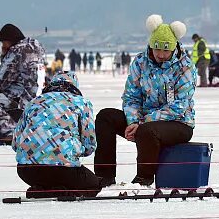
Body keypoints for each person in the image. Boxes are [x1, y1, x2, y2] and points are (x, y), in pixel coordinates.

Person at [94, 14, 196, 186]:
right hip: (142, 121)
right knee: (106, 117)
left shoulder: (185, 67)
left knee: (147, 131)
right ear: (151, 46)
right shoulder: (140, 62)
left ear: (174, 48)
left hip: (179, 123)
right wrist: (133, 120)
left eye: (166, 50)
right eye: (157, 49)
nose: (161, 55)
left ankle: (144, 178)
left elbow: (179, 106)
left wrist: (142, 123)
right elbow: (131, 96)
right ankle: (105, 176)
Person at [12, 71, 101, 198]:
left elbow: (16, 142)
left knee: (49, 176)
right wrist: (76, 151)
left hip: (27, 170)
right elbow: (89, 142)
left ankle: (43, 189)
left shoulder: (33, 102)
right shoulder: (82, 103)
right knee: (93, 185)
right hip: (64, 169)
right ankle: (59, 191)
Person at [0, 23, 46, 144]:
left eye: (3, 42)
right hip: (39, 95)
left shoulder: (16, 51)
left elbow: (2, 81)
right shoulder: (37, 47)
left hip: (21, 97)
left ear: (10, 40)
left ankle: (11, 132)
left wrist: (4, 56)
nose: (3, 45)